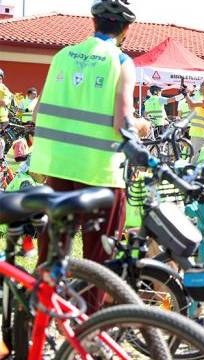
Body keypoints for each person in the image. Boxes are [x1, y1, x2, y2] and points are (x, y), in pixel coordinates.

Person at [30, 0, 149, 266]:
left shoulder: (62, 56)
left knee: (52, 249)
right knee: (100, 256)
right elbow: (123, 125)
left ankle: (40, 303)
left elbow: (38, 114)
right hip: (100, 171)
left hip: (59, 166)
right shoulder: (120, 61)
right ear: (126, 29)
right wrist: (143, 126)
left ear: (93, 22)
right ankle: (95, 309)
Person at [184, 78, 204, 159]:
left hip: (202, 136)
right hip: (197, 134)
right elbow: (191, 107)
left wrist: (185, 94)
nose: (199, 88)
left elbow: (192, 104)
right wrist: (186, 94)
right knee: (191, 160)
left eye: (201, 86)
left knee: (195, 162)